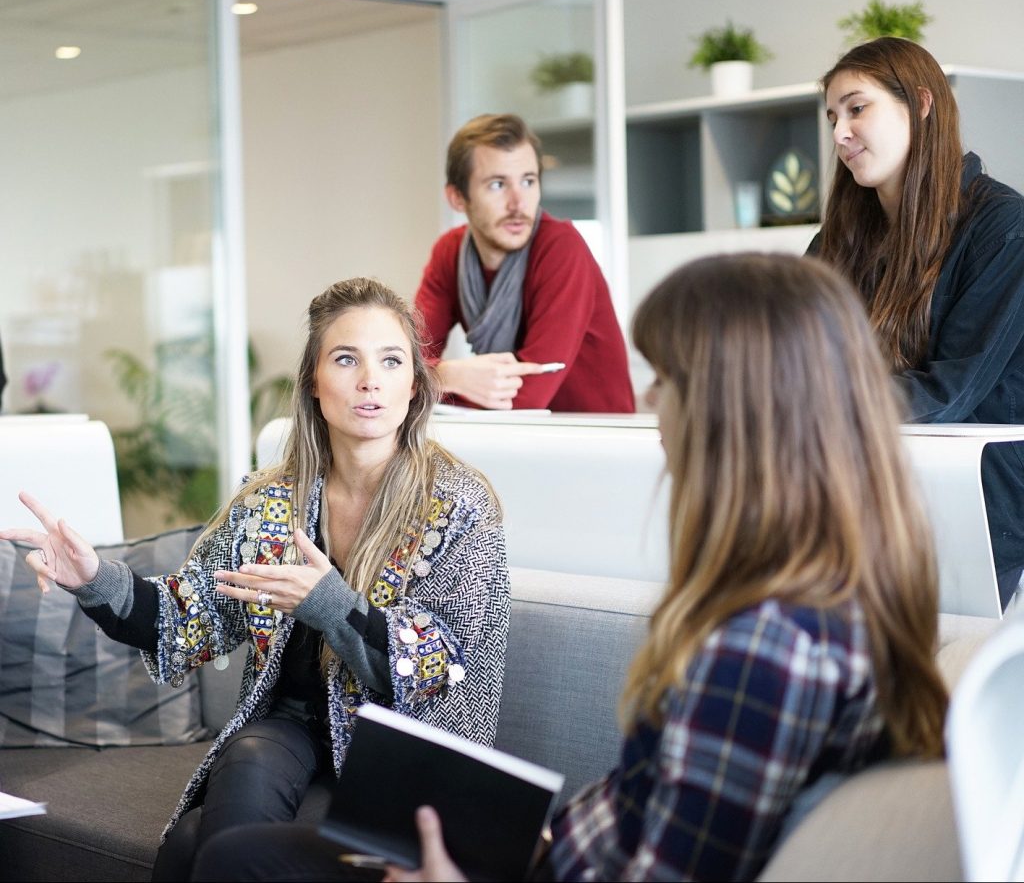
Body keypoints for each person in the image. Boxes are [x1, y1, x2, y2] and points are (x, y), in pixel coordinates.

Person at [191, 253, 949, 883]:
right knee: (229, 849)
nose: (652, 404)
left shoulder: (765, 649)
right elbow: (652, 813)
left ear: (735, 411)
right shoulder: (815, 602)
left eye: (669, 380)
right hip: (549, 853)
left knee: (237, 863)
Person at [0, 277, 510, 881]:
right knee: (245, 759)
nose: (370, 379)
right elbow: (185, 616)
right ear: (314, 385)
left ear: (414, 387)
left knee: (195, 843)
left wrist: (329, 604)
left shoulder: (458, 504)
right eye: (345, 359)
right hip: (290, 728)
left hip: (401, 751)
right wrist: (92, 579)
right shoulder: (271, 501)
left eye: (391, 360)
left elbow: (452, 673)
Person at [809, 35, 1024, 611]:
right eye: (833, 117)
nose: (840, 134)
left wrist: (810, 403)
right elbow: (792, 356)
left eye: (858, 108)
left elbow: (949, 391)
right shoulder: (837, 242)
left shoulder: (1004, 227)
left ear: (921, 105)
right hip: (865, 494)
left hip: (980, 509)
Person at [413, 113, 635, 412]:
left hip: (593, 441)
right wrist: (449, 375)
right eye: (497, 185)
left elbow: (527, 397)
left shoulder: (561, 248)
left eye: (528, 181)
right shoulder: (449, 252)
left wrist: (429, 380)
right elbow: (401, 361)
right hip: (513, 438)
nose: (518, 203)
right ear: (457, 198)